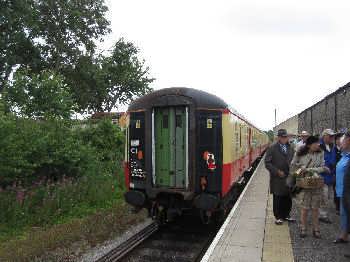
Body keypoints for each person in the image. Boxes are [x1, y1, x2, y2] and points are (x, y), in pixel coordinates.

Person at [290, 135, 329, 238]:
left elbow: (323, 167)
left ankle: (316, 229)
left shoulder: (321, 152)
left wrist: (310, 170)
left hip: (316, 183)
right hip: (304, 183)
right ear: (309, 145)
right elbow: (293, 165)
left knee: (316, 207)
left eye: (318, 143)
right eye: (315, 143)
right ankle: (303, 228)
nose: (318, 145)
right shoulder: (300, 152)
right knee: (304, 207)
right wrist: (300, 168)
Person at [265, 129, 295, 225]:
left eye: (286, 137)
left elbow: (294, 160)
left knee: (288, 196)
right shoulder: (272, 148)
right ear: (278, 138)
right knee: (278, 197)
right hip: (277, 177)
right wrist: (277, 171)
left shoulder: (291, 147)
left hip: (289, 176)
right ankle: (278, 216)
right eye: (283, 137)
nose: (285, 139)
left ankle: (286, 214)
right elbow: (267, 163)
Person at [334, 132, 350, 245]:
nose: (340, 142)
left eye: (343, 140)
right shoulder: (344, 155)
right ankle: (344, 236)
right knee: (344, 215)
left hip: (348, 193)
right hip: (341, 192)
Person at [319, 128, 337, 223]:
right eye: (330, 136)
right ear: (324, 136)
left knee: (330, 196)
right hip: (322, 176)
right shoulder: (319, 146)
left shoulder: (332, 146)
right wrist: (324, 167)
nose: (332, 137)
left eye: (332, 136)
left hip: (331, 175)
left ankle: (324, 213)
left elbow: (333, 158)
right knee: (324, 196)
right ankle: (322, 215)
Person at [334, 132, 344, 213]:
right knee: (336, 190)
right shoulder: (333, 149)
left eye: (340, 139)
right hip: (335, 173)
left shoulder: (345, 148)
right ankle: (338, 207)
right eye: (337, 139)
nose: (339, 141)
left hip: (344, 172)